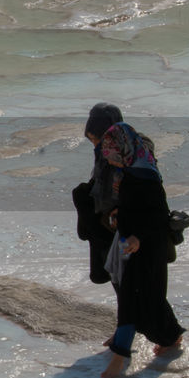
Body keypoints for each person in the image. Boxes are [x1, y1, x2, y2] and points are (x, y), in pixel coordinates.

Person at [97, 122, 186, 378]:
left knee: (135, 300)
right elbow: (133, 209)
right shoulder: (130, 172)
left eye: (112, 156)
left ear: (123, 150)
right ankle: (171, 336)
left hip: (148, 249)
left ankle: (119, 357)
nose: (111, 162)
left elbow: (158, 217)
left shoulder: (145, 178)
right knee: (145, 301)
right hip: (132, 246)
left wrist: (137, 236)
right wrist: (118, 217)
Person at [72, 103, 123, 285]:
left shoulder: (124, 153)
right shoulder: (118, 150)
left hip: (121, 228)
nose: (95, 146)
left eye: (96, 140)